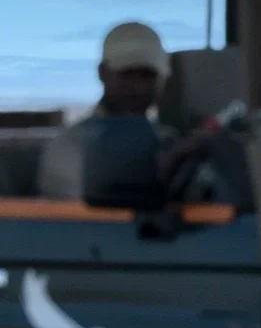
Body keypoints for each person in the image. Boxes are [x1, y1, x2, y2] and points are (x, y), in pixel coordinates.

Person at [37, 22, 179, 201]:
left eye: (147, 75)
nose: (138, 87)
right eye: (126, 74)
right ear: (103, 73)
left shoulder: (169, 141)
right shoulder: (71, 147)